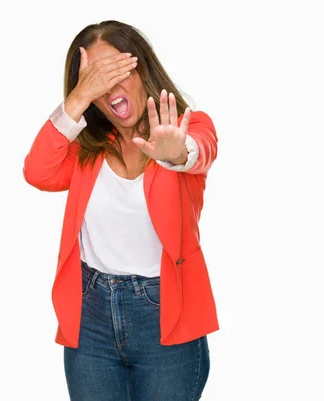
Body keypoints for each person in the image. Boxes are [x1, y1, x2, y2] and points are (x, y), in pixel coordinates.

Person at [23, 20, 219, 401]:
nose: (109, 87)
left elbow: (199, 149)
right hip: (91, 316)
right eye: (95, 79)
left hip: (165, 317)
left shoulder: (185, 126)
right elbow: (37, 171)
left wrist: (176, 152)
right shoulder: (86, 148)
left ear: (142, 68)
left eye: (116, 71)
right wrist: (77, 99)